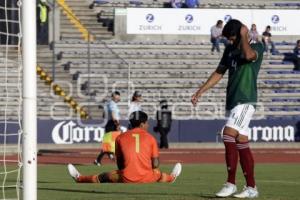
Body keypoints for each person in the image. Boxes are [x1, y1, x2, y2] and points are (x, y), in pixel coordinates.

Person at [192, 19, 263, 198]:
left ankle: (230, 183)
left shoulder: (258, 47)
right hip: (232, 102)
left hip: (246, 100)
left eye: (231, 38)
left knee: (227, 133)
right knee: (241, 142)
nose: (229, 42)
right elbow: (219, 72)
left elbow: (248, 56)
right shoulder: (230, 50)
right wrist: (201, 91)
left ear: (239, 34)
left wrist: (244, 35)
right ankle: (251, 188)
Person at [68, 111, 182, 184]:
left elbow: (120, 164)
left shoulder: (120, 137)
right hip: (147, 177)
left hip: (126, 178)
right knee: (158, 173)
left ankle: (79, 178)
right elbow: (155, 164)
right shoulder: (151, 138)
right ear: (142, 124)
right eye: (147, 123)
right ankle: (172, 178)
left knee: (104, 176)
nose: (148, 125)